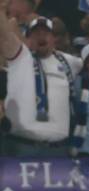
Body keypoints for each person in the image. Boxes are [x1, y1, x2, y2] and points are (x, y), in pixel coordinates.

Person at [0, 12, 82, 157]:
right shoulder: (20, 57)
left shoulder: (68, 61)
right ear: (28, 39)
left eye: (46, 33)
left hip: (58, 150)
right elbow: (5, 35)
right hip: (22, 147)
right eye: (36, 33)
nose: (41, 36)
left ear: (53, 39)